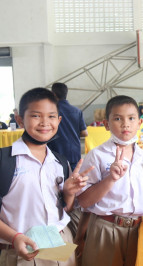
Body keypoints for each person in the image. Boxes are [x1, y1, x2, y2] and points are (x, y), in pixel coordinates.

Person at [76, 95, 143, 266]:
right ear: (106, 124)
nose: (125, 124)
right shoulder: (97, 156)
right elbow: (84, 201)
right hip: (106, 229)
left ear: (139, 123)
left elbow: (142, 193)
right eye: (118, 118)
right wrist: (110, 179)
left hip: (137, 229)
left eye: (131, 118)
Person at [0, 88, 92, 265]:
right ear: (19, 120)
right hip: (22, 249)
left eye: (51, 116)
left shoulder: (60, 162)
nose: (45, 122)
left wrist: (69, 192)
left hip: (60, 243)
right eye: (36, 116)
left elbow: (66, 209)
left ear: (59, 120)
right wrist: (14, 237)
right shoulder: (5, 160)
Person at [48, 82, 88, 171]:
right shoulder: (77, 111)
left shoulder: (50, 111)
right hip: (74, 152)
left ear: (53, 94)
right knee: (73, 180)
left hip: (56, 152)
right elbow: (84, 133)